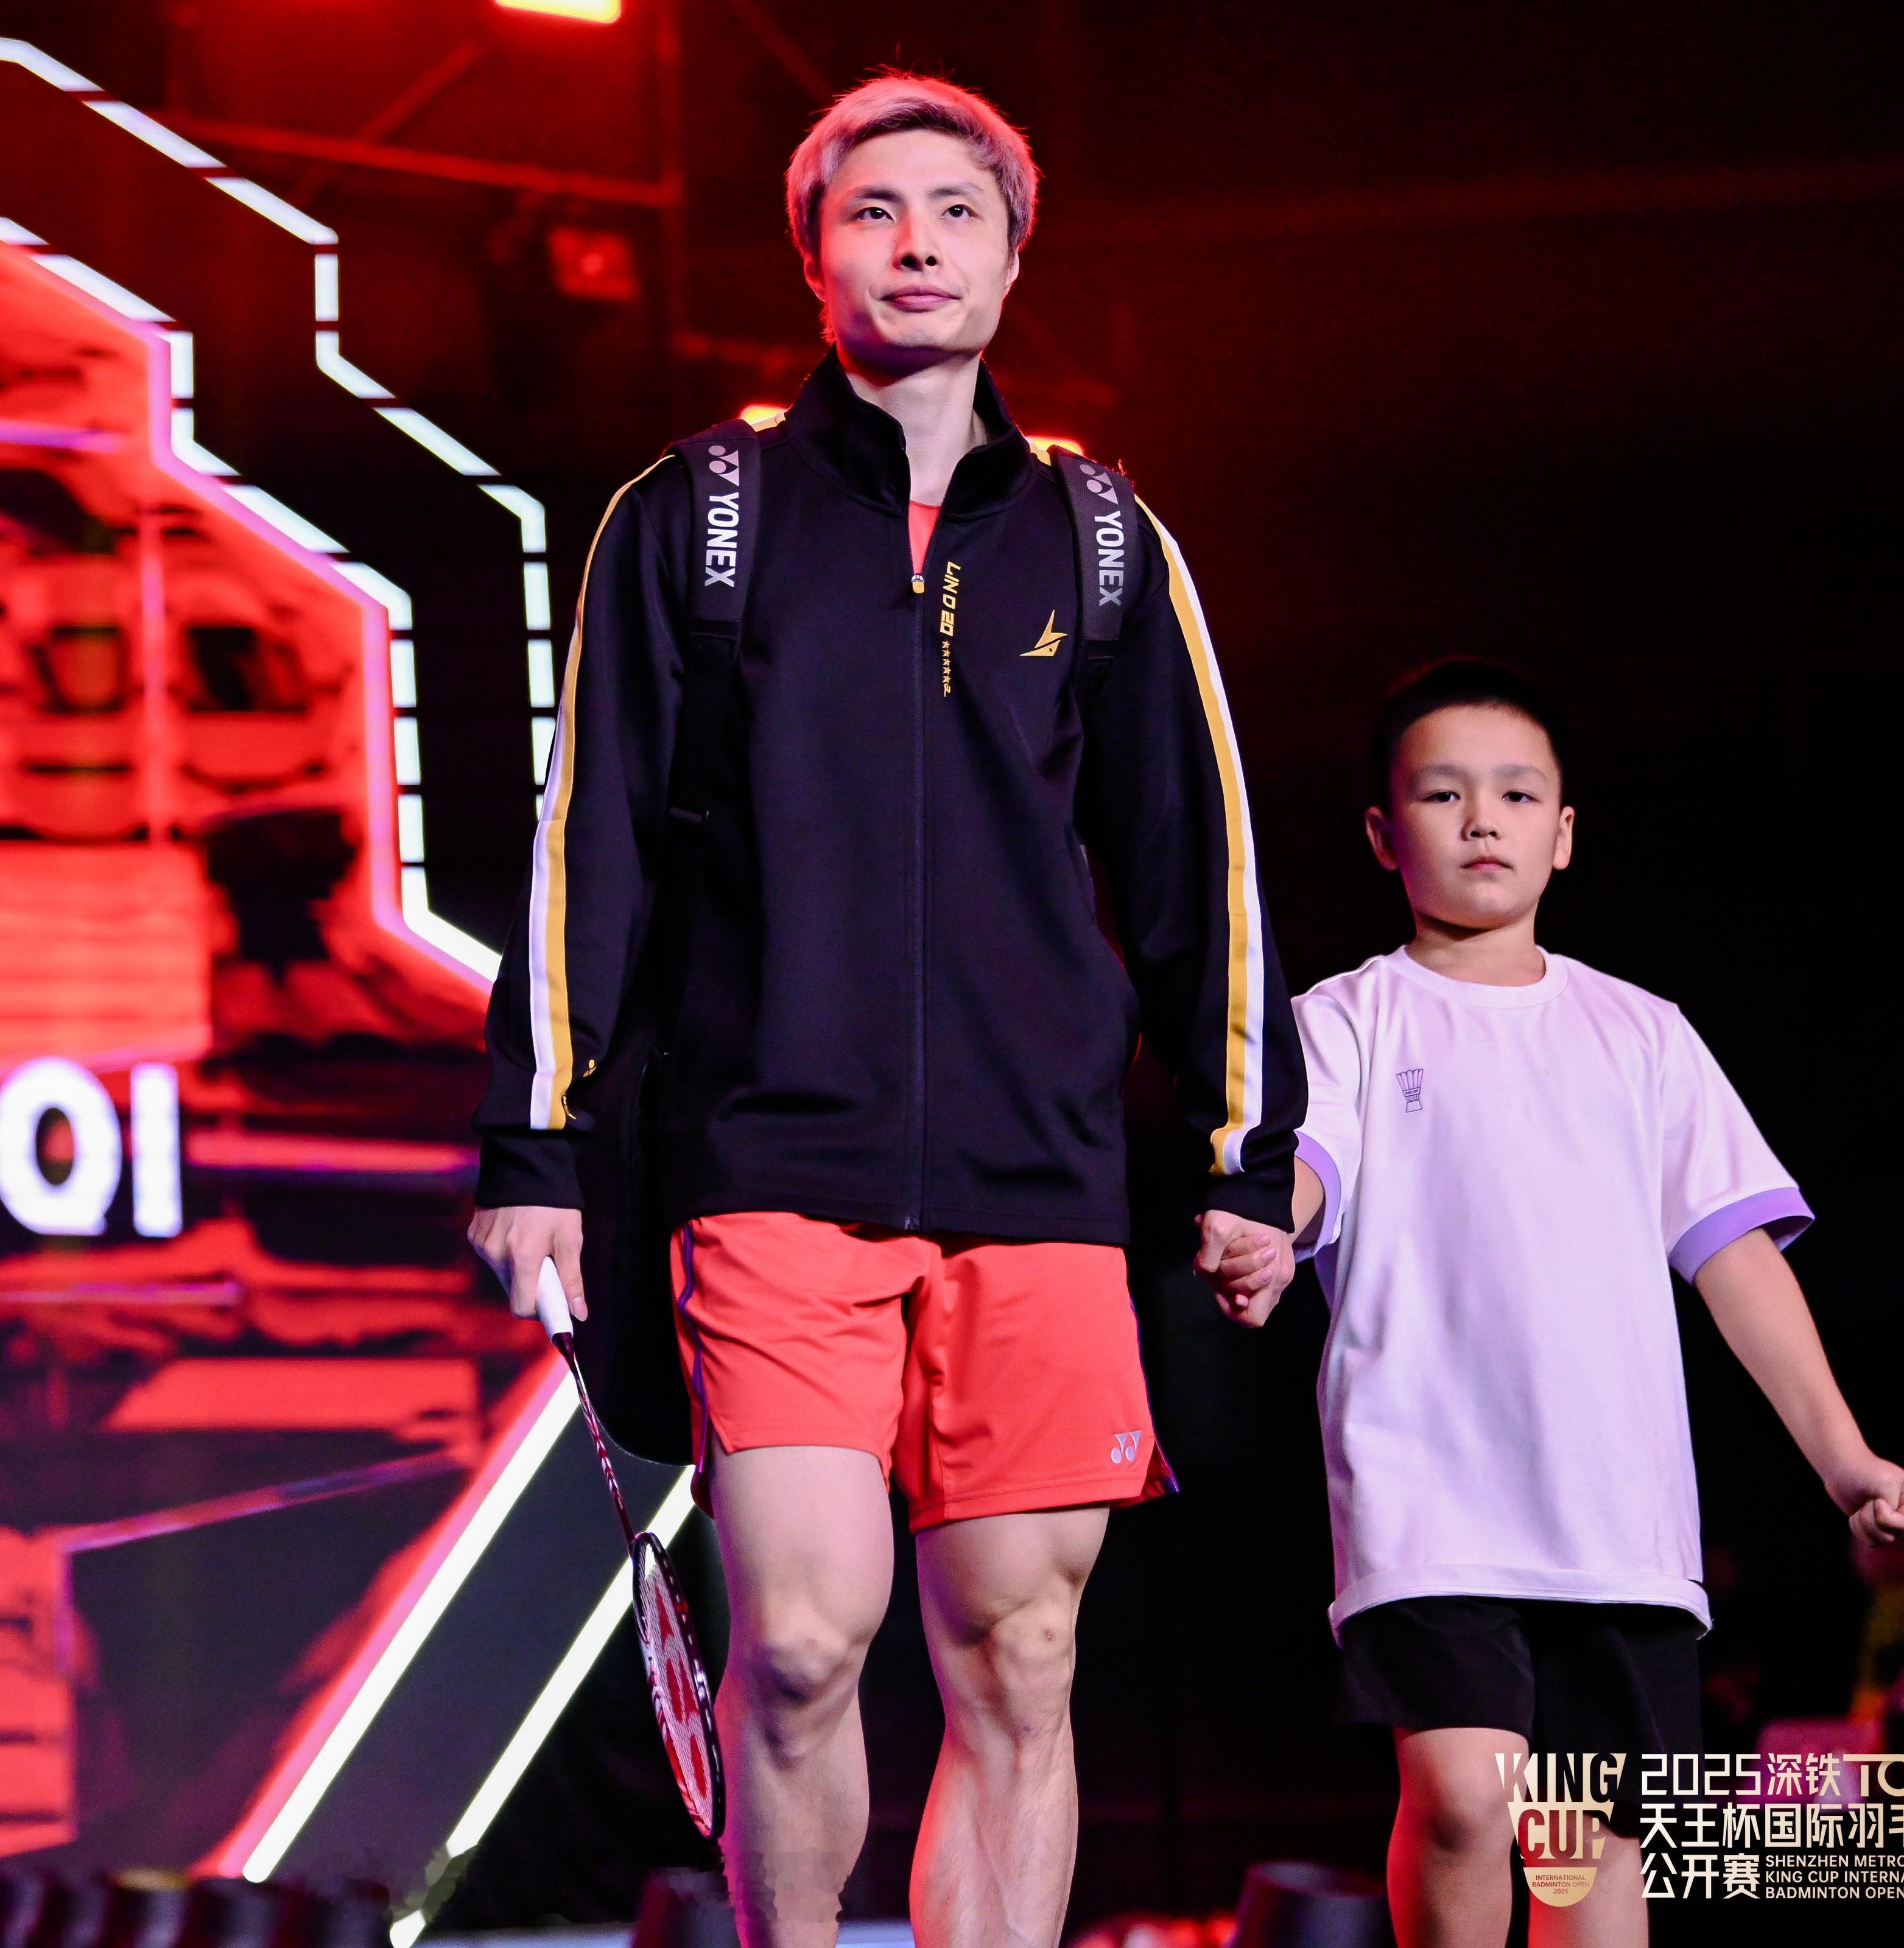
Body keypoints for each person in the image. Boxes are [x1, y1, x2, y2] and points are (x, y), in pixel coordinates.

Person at [468, 72, 1305, 1948]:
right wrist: (535, 1145)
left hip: (1039, 1184)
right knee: (801, 1641)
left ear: (1012, 259)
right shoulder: (695, 517)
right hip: (770, 1165)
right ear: (815, 257)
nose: (915, 243)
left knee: (1021, 1653)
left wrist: (1247, 1158)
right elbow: (585, 843)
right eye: (873, 211)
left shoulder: (1101, 538)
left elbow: (1199, 865)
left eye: (955, 212)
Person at [1252, 659, 1904, 1947]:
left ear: (1563, 834)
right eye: (1443, 795)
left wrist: (1844, 1457)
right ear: (1385, 835)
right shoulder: (1347, 1020)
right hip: (1430, 1494)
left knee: (1590, 1841)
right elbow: (1305, 1170)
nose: (1483, 821)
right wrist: (1265, 1235)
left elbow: (1737, 1260)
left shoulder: (1643, 1032)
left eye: (1517, 795)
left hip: (1618, 1515)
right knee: (1464, 1795)